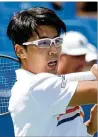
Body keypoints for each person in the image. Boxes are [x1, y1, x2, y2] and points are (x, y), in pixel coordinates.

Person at [7, 7, 98, 136]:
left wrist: (91, 126)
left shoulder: (48, 87)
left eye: (57, 41)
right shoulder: (35, 87)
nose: (54, 50)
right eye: (43, 43)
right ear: (21, 51)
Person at [57, 31, 98, 136]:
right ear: (59, 56)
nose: (82, 62)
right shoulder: (50, 87)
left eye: (83, 56)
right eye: (76, 56)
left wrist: (91, 127)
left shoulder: (73, 85)